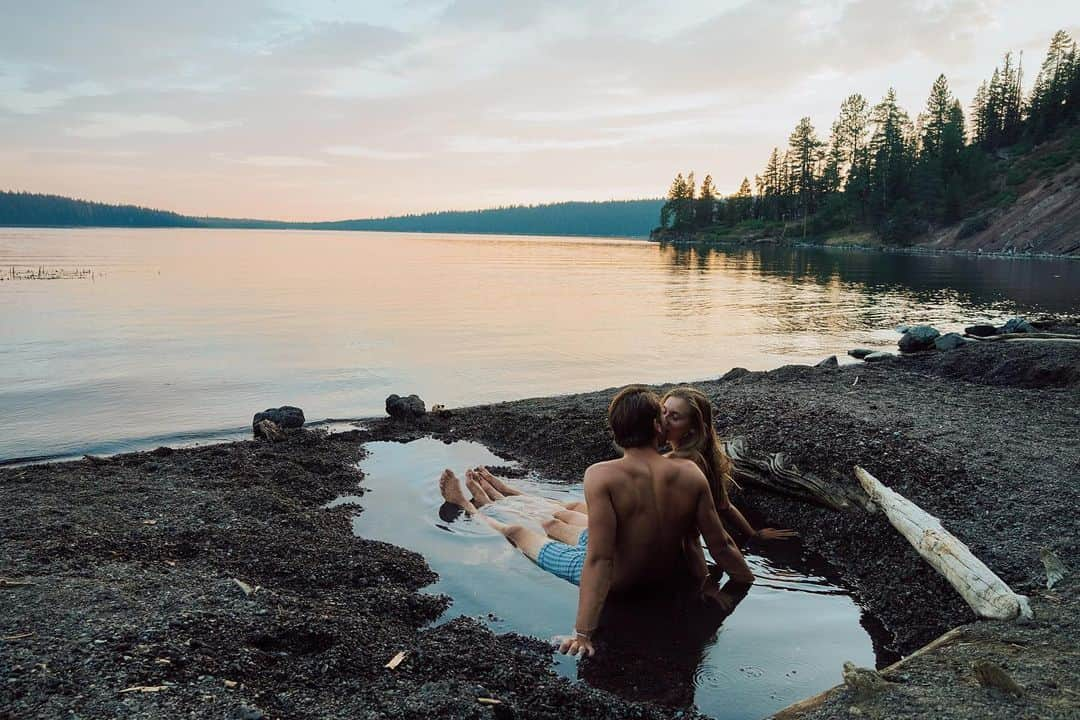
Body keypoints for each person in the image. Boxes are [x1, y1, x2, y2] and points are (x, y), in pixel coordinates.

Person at [439, 385, 754, 657]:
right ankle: (501, 495)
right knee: (557, 523)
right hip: (661, 574)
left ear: (615, 432)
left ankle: (467, 504)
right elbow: (720, 542)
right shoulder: (690, 472)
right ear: (658, 428)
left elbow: (600, 560)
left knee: (519, 532)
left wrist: (583, 632)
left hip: (618, 579)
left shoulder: (601, 474)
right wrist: (743, 581)